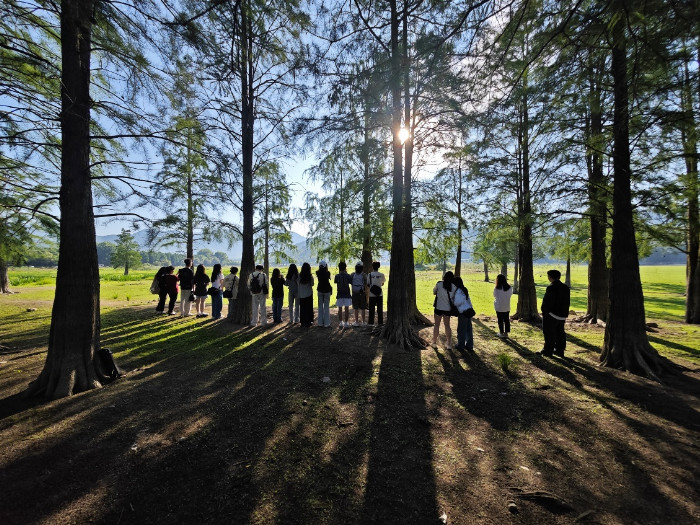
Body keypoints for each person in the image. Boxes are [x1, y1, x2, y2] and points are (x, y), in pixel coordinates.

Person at [540, 269, 571, 357]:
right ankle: (560, 350)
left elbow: (548, 301)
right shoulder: (565, 287)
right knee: (560, 333)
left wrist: (545, 311)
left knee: (549, 333)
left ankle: (548, 351)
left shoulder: (551, 287)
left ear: (550, 277)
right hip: (562, 315)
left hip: (552, 314)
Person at [431, 271, 455, 350]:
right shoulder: (454, 287)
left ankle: (434, 342)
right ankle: (448, 344)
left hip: (438, 308)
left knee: (436, 325)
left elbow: (434, 292)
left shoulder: (439, 284)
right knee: (447, 325)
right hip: (447, 309)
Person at [453, 277, 474, 352]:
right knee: (469, 330)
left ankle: (460, 345)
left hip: (463, 312)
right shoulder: (464, 289)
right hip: (469, 310)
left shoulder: (458, 291)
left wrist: (453, 302)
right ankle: (469, 345)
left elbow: (457, 302)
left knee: (461, 329)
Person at [493, 274, 514, 338]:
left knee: (500, 320)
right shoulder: (509, 288)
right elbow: (510, 295)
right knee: (506, 320)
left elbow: (494, 296)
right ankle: (506, 333)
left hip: (499, 306)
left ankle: (501, 332)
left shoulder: (496, 288)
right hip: (507, 306)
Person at [334, 261, 353, 328]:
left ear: (339, 268)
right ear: (345, 268)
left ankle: (340, 322)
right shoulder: (348, 276)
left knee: (340, 309)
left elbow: (335, 282)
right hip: (347, 293)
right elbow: (351, 282)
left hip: (339, 293)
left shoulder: (337, 276)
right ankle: (346, 322)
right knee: (347, 308)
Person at [367, 261, 386, 326]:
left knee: (371, 309)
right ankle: (380, 322)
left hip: (371, 294)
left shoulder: (369, 275)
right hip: (379, 294)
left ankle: (371, 322)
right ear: (379, 267)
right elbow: (383, 283)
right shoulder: (381, 275)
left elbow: (368, 284)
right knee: (380, 309)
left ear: (372, 266)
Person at [316, 261, 333, 327]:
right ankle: (326, 323)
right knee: (326, 307)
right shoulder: (328, 273)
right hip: (327, 290)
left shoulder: (317, 272)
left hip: (320, 289)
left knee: (320, 307)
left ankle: (320, 323)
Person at [298, 262, 315, 327]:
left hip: (301, 295)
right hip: (308, 294)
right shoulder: (310, 276)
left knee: (302, 309)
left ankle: (302, 322)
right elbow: (312, 284)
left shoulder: (299, 276)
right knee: (309, 308)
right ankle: (308, 321)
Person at [351, 262, 367, 326]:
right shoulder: (364, 275)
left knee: (356, 308)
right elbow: (365, 283)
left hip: (354, 293)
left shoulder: (352, 274)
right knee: (363, 308)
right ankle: (363, 322)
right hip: (362, 293)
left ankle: (356, 322)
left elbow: (350, 282)